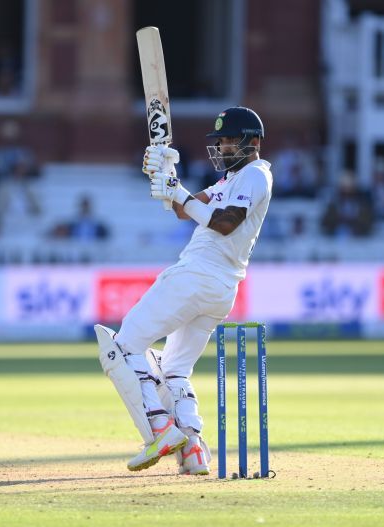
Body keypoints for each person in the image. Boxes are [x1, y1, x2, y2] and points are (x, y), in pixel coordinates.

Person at [94, 106, 272, 475]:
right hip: (220, 289)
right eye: (219, 141)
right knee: (174, 370)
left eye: (228, 140)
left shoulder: (256, 176)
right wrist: (165, 174)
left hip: (198, 275)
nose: (222, 147)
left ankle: (159, 429)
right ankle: (192, 449)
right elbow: (183, 210)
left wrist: (181, 194)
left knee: (124, 346)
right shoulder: (227, 181)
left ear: (252, 142)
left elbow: (224, 224)